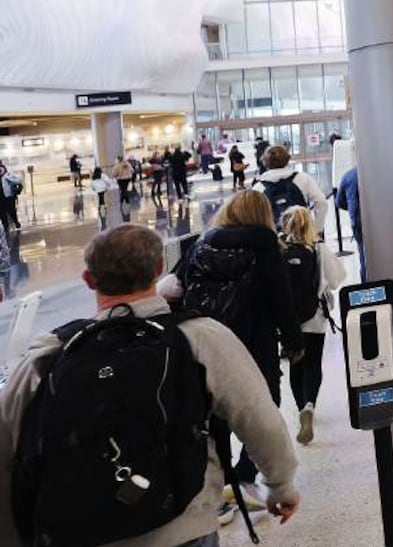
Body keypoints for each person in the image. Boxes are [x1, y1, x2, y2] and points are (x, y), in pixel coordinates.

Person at [0, 224, 300, 547]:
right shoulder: (200, 337)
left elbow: (5, 448)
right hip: (183, 528)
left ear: (88, 279)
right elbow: (260, 419)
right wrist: (280, 487)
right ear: (158, 269)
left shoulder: (50, 354)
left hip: (80, 532)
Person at [165, 190, 306, 504]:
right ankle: (244, 473)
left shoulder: (202, 244)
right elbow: (281, 299)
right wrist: (295, 342)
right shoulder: (266, 246)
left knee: (214, 408)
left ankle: (224, 476)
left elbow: (175, 286)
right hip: (254, 339)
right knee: (265, 400)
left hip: (205, 340)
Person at [279, 206, 346, 446]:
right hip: (314, 317)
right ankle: (309, 406)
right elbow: (337, 278)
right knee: (313, 363)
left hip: (289, 320)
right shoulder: (318, 248)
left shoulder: (279, 248)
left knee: (296, 365)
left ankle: (300, 409)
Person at [253, 146, 331, 234]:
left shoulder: (258, 188)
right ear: (288, 159)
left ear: (265, 162)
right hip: (302, 232)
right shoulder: (303, 179)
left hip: (273, 236)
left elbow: (253, 216)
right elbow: (321, 202)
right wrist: (317, 229)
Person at [336, 165, 366, 281]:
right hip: (377, 220)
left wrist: (351, 207)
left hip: (357, 221)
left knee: (363, 255)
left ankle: (366, 283)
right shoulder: (376, 173)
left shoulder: (348, 175)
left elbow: (339, 202)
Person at [0, 164, 21, 232]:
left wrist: (7, 177)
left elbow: (18, 181)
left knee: (12, 211)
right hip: (1, 199)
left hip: (9, 197)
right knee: (2, 213)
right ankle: (5, 226)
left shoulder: (8, 175)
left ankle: (16, 223)